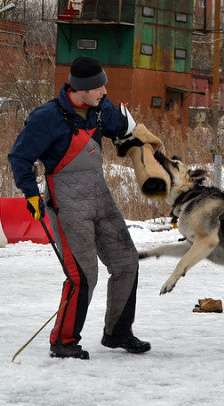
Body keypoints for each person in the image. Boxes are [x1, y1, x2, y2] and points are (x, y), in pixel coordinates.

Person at [8, 57, 158, 359]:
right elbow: (20, 157)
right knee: (83, 275)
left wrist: (142, 144)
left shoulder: (102, 110)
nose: (104, 89)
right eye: (98, 86)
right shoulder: (46, 118)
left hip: (100, 197)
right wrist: (31, 194)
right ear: (81, 89)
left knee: (127, 261)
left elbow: (124, 130)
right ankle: (63, 341)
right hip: (67, 204)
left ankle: (118, 332)